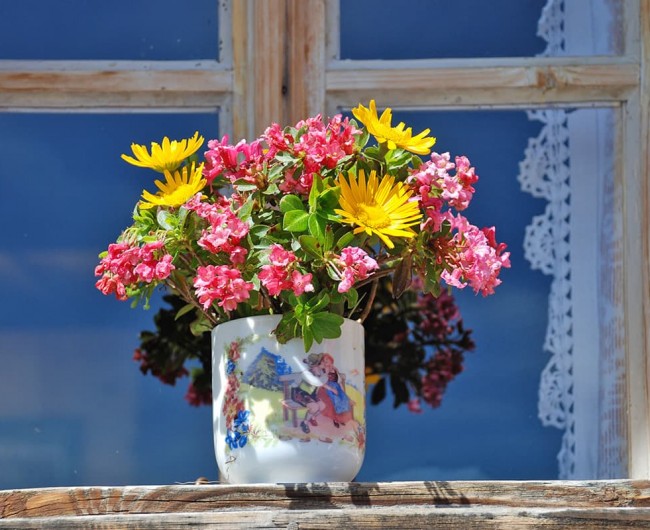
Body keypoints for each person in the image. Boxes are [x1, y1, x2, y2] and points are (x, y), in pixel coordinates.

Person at [317, 353, 353, 428]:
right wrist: (326, 372)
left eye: (327, 359)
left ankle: (340, 418)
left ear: (331, 360)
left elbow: (339, 381)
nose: (325, 361)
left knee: (343, 399)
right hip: (325, 388)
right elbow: (322, 383)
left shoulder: (335, 369)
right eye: (324, 360)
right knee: (335, 400)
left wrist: (343, 392)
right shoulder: (323, 370)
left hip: (336, 387)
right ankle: (335, 419)